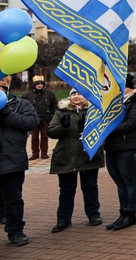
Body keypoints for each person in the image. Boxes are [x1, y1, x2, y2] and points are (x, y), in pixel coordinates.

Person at [48, 89, 104, 232]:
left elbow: (103, 129)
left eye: (80, 93)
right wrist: (63, 127)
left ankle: (93, 215)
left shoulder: (94, 110)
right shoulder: (62, 111)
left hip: (88, 155)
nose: (76, 96)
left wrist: (90, 127)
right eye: (73, 94)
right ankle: (63, 219)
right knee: (66, 190)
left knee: (90, 187)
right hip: (66, 156)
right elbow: (51, 132)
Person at [102, 74, 136, 231]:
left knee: (130, 182)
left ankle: (131, 213)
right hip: (112, 147)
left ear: (128, 87)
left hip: (129, 148)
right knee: (120, 182)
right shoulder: (112, 102)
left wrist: (106, 129)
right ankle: (123, 213)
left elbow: (131, 124)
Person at [0, 75, 39, 246]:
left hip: (12, 161)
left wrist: (6, 113)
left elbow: (31, 122)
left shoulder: (21, 105)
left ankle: (15, 231)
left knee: (13, 199)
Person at [23, 75, 56, 160]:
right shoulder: (27, 95)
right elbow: (24, 107)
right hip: (33, 120)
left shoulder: (49, 94)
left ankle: (44, 153)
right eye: (37, 84)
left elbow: (54, 107)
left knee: (45, 137)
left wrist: (52, 116)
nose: (39, 85)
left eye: (41, 84)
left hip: (46, 120)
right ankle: (35, 154)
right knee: (34, 138)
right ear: (34, 85)